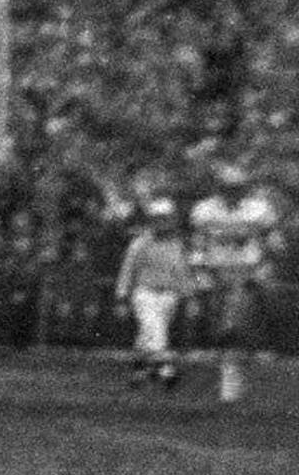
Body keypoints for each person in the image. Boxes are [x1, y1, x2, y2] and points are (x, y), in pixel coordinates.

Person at [188, 160, 282, 404]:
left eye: (237, 187)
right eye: (228, 187)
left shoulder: (259, 209)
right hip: (216, 269)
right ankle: (213, 356)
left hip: (249, 270)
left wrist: (266, 263)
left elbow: (273, 242)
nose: (233, 192)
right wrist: (200, 272)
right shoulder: (205, 210)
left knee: (256, 309)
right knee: (212, 315)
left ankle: (262, 349)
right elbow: (197, 244)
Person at [113, 197, 191, 391]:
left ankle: (140, 372)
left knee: (147, 335)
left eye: (166, 218)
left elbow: (183, 271)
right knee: (155, 330)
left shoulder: (176, 244)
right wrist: (122, 296)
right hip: (145, 293)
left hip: (169, 296)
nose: (162, 222)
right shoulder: (140, 243)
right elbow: (127, 269)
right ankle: (167, 370)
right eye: (158, 218)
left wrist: (190, 295)